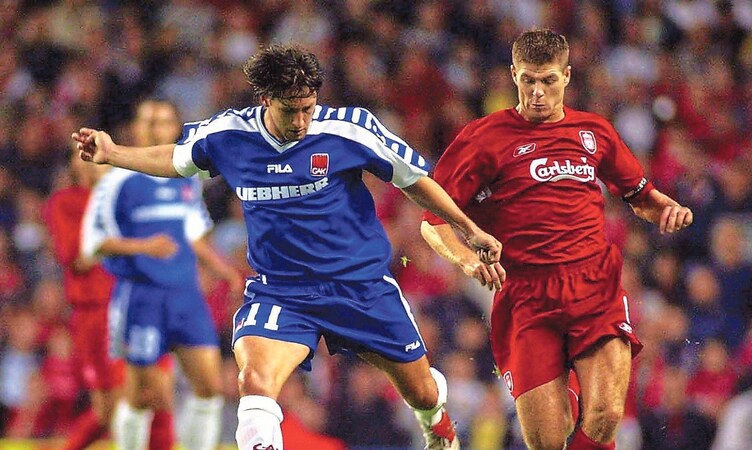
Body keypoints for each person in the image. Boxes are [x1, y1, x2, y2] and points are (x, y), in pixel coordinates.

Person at [72, 44, 502, 450]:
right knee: (254, 383)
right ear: (264, 101)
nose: (300, 121)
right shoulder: (228, 135)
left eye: (307, 109)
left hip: (360, 287)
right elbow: (176, 159)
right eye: (289, 110)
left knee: (422, 391)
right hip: (281, 291)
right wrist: (114, 153)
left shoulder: (348, 129)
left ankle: (436, 422)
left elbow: (416, 180)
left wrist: (469, 230)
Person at [420, 29, 693, 450]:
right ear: (513, 75)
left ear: (566, 76)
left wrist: (666, 208)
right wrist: (467, 261)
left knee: (606, 414)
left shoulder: (594, 131)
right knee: (548, 441)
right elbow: (431, 223)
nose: (537, 92)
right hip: (526, 297)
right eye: (527, 80)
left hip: (593, 284)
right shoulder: (482, 139)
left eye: (548, 80)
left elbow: (641, 197)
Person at [78, 99, 239, 450]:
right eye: (148, 121)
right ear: (135, 128)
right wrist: (143, 247)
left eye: (163, 121)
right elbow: (92, 244)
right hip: (142, 297)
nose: (155, 128)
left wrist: (224, 270)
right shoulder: (116, 180)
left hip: (185, 296)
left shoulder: (186, 179)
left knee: (211, 387)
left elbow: (192, 234)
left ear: (174, 129)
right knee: (144, 395)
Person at [43, 153, 174, 449]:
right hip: (98, 313)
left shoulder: (127, 197)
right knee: (112, 408)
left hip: (140, 303)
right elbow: (78, 260)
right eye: (81, 155)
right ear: (74, 165)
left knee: (159, 394)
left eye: (96, 155)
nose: (91, 162)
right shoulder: (66, 203)